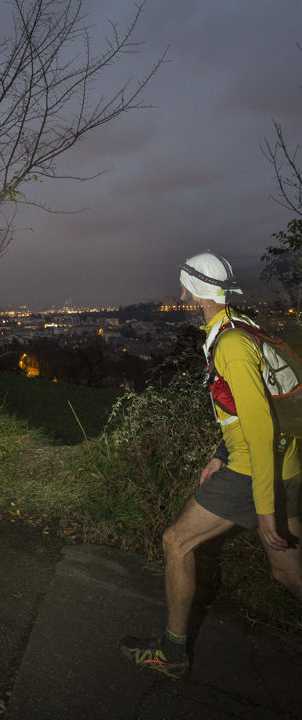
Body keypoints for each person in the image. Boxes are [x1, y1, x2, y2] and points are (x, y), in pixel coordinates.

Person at [118, 251, 302, 680]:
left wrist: (263, 506)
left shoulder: (231, 345)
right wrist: (219, 453)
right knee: (287, 569)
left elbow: (256, 428)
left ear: (195, 289)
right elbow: (242, 407)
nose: (180, 290)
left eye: (183, 283)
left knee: (175, 542)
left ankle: (173, 653)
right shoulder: (239, 326)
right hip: (286, 462)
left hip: (255, 469)